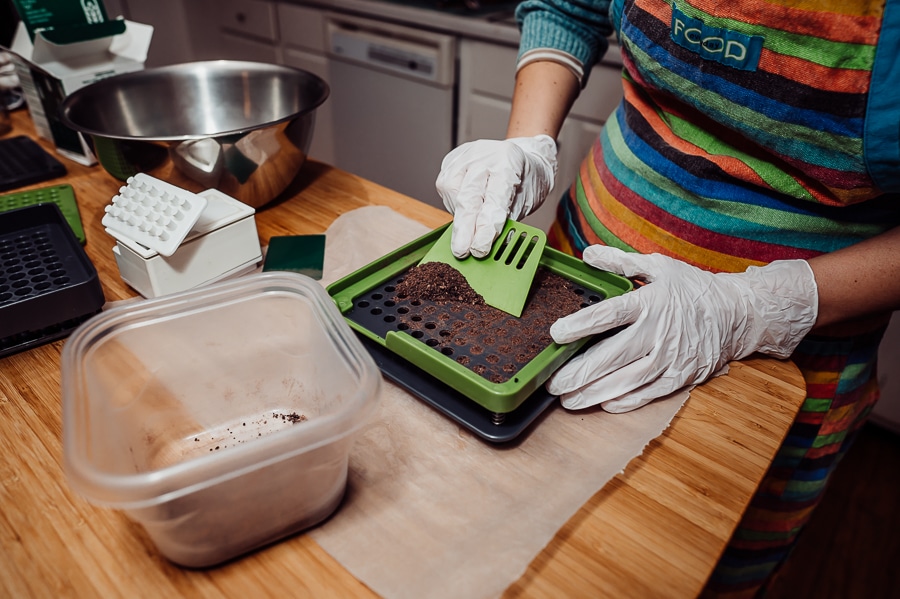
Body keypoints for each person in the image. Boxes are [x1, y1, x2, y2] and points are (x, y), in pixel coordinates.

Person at [435, 0, 900, 595]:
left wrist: (749, 310)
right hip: (574, 279)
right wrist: (527, 144)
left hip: (781, 366)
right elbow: (567, 9)